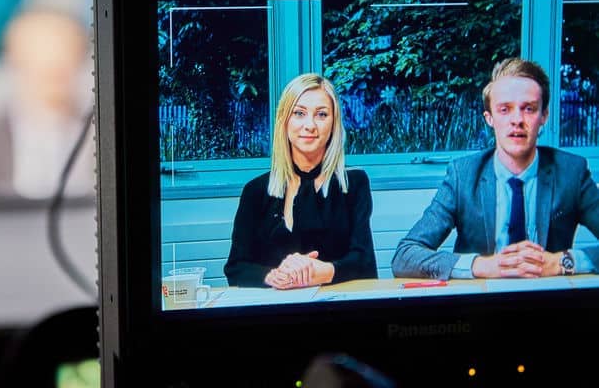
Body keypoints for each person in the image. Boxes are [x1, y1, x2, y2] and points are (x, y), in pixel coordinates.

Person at [391, 57, 599, 280]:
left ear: (544, 116)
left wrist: (563, 262)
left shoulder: (571, 172)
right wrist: (479, 265)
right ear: (489, 118)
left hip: (548, 298)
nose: (517, 120)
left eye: (529, 109)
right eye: (505, 109)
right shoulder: (463, 175)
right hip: (481, 299)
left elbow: (565, 262)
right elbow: (405, 256)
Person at [224, 73, 376, 289]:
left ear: (334, 124)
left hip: (336, 306)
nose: (310, 125)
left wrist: (323, 272)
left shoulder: (354, 184)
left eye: (321, 114)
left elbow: (365, 264)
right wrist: (273, 276)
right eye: (299, 113)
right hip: (276, 306)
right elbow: (236, 268)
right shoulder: (255, 191)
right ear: (284, 121)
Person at [0, 7, 94, 199]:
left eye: (64, 58)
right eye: (39, 58)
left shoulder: (98, 130)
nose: (53, 66)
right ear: (14, 60)